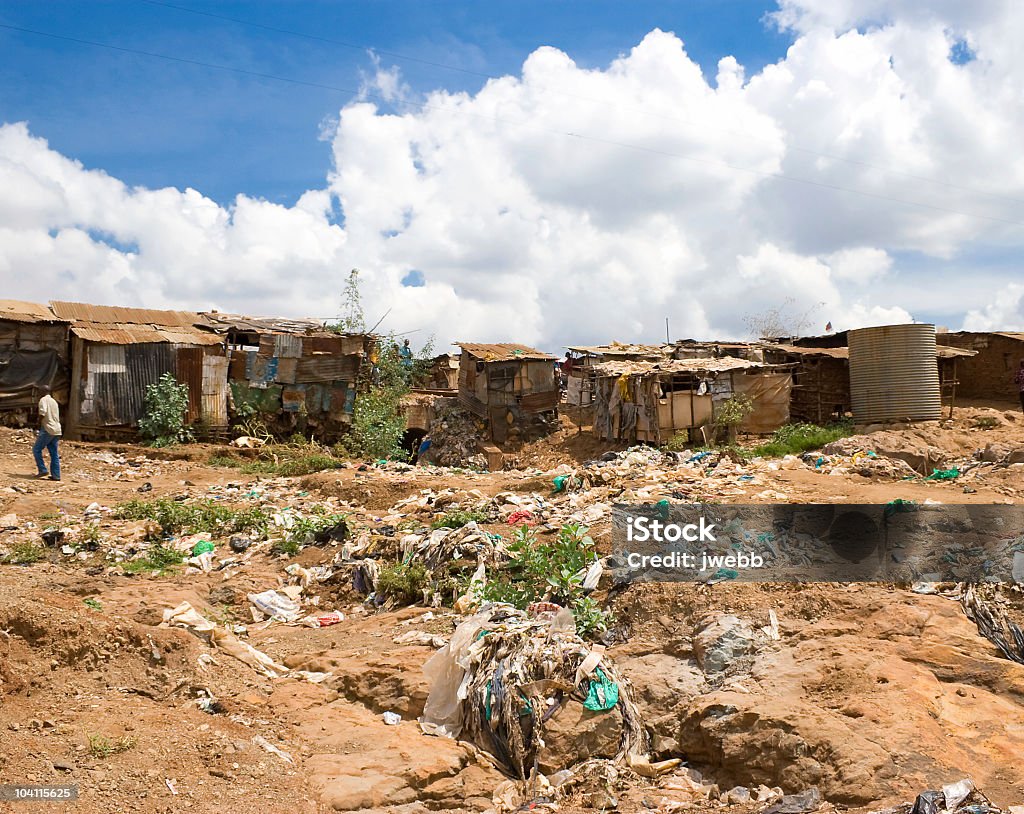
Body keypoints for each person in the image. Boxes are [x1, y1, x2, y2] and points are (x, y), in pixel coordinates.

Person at [33, 385, 61, 482]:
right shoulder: (54, 401)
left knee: (36, 449)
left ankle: (42, 470)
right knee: (54, 453)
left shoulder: (43, 400)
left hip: (48, 429)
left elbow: (42, 412)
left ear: (43, 391)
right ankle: (56, 475)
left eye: (40, 391)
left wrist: (37, 423)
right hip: (57, 430)